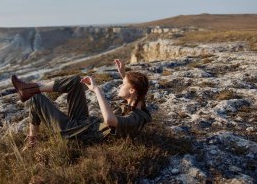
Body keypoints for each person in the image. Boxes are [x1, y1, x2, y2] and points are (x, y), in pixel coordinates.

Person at [10, 59, 152, 150]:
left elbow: (110, 120)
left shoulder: (135, 118)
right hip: (85, 123)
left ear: (132, 90)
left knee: (36, 99)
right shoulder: (139, 105)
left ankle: (32, 142)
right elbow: (139, 94)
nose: (120, 86)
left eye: (123, 85)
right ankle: (28, 89)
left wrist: (97, 90)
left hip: (76, 133)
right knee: (75, 82)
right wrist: (124, 74)